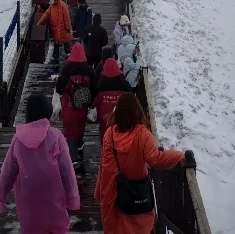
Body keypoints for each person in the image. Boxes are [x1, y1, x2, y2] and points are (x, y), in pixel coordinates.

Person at [95, 94, 185, 234]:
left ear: (118, 111)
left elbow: (106, 166)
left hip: (118, 191)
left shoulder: (110, 134)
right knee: (139, 226)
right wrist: (179, 156)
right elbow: (155, 159)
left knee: (120, 226)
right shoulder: (143, 134)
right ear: (137, 110)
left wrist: (103, 191)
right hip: (138, 193)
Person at [0, 92, 80, 234]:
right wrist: (73, 198)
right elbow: (67, 172)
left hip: (28, 204)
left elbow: (7, 172)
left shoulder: (18, 139)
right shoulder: (56, 137)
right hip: (53, 200)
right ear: (47, 112)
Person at [55, 43, 94, 168]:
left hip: (69, 106)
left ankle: (73, 158)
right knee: (79, 128)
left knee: (70, 130)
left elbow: (59, 89)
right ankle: (79, 150)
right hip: (82, 105)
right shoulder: (88, 70)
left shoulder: (67, 69)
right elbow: (94, 88)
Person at [92, 57, 131, 146]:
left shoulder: (100, 85)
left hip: (104, 119)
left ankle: (106, 152)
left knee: (105, 136)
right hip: (120, 117)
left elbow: (93, 102)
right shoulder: (124, 84)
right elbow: (130, 96)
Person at [39, 0, 73, 73]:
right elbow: (46, 14)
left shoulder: (62, 5)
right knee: (58, 42)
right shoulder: (52, 6)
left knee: (66, 43)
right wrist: (40, 23)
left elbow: (67, 17)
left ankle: (68, 55)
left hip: (63, 28)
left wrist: (68, 28)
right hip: (56, 29)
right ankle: (57, 56)